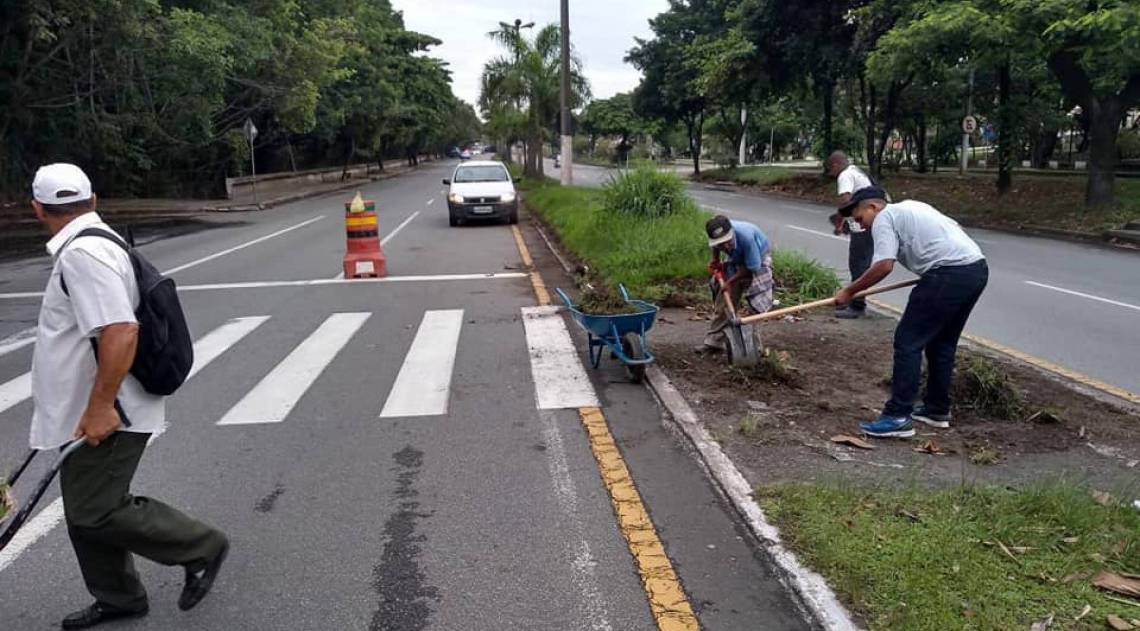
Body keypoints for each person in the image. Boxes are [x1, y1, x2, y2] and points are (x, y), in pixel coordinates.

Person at [28, 163, 229, 629]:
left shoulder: (85, 255)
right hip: (89, 405)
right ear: (93, 199)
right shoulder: (94, 245)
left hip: (110, 409)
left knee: (95, 510)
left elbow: (120, 331)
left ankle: (201, 545)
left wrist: (100, 406)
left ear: (37, 209)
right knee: (85, 510)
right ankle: (118, 597)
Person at [834, 186, 988, 439]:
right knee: (941, 344)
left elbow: (883, 265)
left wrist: (849, 292)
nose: (862, 226)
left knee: (908, 341)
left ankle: (897, 416)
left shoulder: (885, 217)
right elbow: (952, 232)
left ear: (873, 207)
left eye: (860, 218)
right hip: (975, 269)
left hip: (948, 273)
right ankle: (936, 410)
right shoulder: (914, 206)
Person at [698, 215, 775, 353]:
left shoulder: (747, 238)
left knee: (757, 305)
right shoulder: (718, 237)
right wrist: (715, 261)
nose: (725, 246)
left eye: (727, 241)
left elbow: (751, 267)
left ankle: (754, 349)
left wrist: (729, 281)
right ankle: (714, 343)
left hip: (758, 260)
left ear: (732, 232)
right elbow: (717, 247)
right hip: (737, 258)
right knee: (724, 300)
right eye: (721, 243)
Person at [826, 151, 875, 319]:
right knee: (861, 264)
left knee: (858, 265)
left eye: (830, 170)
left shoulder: (845, 175)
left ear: (835, 165)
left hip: (862, 226)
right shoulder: (856, 171)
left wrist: (840, 222)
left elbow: (845, 200)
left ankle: (857, 305)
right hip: (869, 222)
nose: (831, 175)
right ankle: (854, 299)